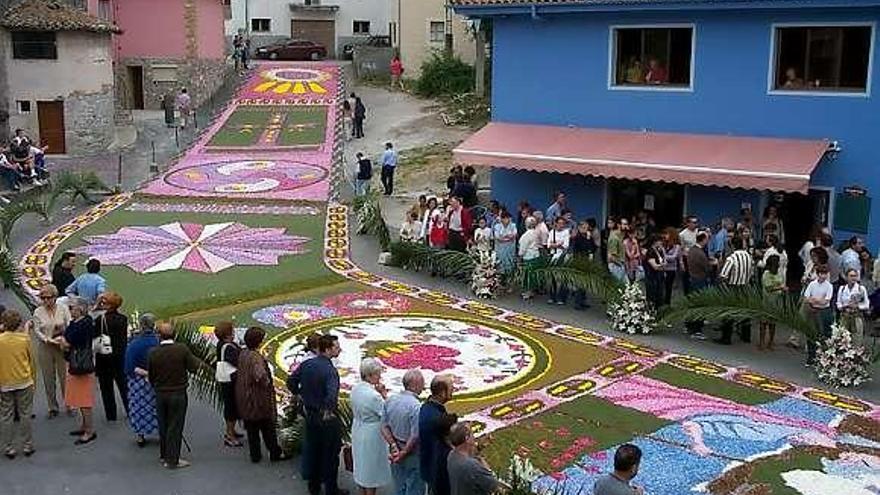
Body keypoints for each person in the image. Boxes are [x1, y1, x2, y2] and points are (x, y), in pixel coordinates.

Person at [287, 334, 344, 495]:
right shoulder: (330, 371)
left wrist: (299, 394)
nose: (339, 349)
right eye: (336, 347)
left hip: (310, 414)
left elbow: (291, 381)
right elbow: (332, 396)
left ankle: (314, 486)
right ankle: (331, 489)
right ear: (327, 349)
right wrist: (327, 411)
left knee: (313, 449)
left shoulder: (307, 364)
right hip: (326, 417)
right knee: (331, 454)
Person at [148, 321, 203, 469]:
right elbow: (194, 367)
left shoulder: (153, 352)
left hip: (160, 393)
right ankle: (173, 460)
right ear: (175, 335)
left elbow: (151, 376)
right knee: (175, 426)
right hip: (177, 393)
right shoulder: (182, 349)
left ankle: (165, 455)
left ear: (159, 336)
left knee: (163, 425)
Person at [236, 327, 287, 463]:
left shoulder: (243, 353)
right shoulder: (255, 358)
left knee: (252, 429)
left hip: (245, 397)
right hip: (257, 399)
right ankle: (274, 453)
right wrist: (267, 383)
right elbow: (260, 375)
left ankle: (255, 455)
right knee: (267, 427)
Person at [351, 358, 393, 495]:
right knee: (371, 471)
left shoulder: (356, 389)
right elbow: (387, 412)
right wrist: (384, 395)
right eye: (377, 374)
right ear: (369, 375)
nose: (379, 377)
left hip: (358, 429)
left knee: (361, 467)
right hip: (372, 434)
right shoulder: (373, 396)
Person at [29, 284, 71, 418]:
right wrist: (46, 339)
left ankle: (69, 404)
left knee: (65, 376)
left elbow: (69, 323)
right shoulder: (38, 311)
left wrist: (63, 333)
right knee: (48, 378)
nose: (46, 301)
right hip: (46, 346)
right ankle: (52, 406)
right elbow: (36, 330)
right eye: (43, 298)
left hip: (61, 345)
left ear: (55, 297)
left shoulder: (63, 308)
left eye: (49, 298)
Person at [0, 310, 37, 458]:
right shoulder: (25, 339)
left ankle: (9, 447)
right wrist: (33, 379)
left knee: (6, 415)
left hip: (5, 382)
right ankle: (27, 445)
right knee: (25, 414)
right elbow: (31, 360)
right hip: (23, 381)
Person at [61, 297, 97, 445]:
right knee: (80, 398)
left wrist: (64, 341)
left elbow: (68, 340)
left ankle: (89, 431)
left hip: (81, 365)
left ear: (80, 309)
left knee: (84, 400)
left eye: (72, 307)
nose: (70, 310)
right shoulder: (78, 322)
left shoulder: (84, 324)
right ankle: (84, 426)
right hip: (76, 363)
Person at [383, 369, 425, 495]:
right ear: (415, 385)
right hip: (411, 452)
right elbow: (415, 435)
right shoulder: (416, 406)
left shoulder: (391, 400)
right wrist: (404, 452)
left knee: (399, 486)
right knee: (415, 488)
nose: (423, 386)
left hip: (395, 450)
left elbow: (384, 426)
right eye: (422, 383)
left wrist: (393, 445)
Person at [124, 313, 160, 447]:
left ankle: (140, 435)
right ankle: (161, 431)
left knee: (139, 407)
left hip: (139, 382)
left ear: (141, 326)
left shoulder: (134, 344)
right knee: (158, 407)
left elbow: (129, 367)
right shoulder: (158, 342)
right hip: (157, 379)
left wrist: (144, 373)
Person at [419, 374, 457, 495]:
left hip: (429, 468)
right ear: (442, 393)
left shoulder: (426, 407)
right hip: (437, 472)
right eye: (451, 389)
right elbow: (450, 444)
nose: (453, 391)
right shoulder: (436, 417)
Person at [94, 292, 129, 422]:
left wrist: (95, 308)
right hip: (120, 357)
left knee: (106, 389)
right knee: (124, 386)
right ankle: (130, 409)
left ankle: (111, 414)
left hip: (104, 358)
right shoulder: (123, 319)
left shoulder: (100, 320)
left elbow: (95, 337)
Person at [717, 237, 754, 345]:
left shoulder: (731, 258)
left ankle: (726, 337)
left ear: (732, 246)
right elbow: (752, 272)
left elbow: (723, 276)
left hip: (733, 287)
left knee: (728, 312)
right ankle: (746, 336)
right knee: (745, 311)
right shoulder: (748, 256)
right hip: (745, 286)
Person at [446, 423, 498, 495]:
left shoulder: (451, 455)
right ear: (467, 438)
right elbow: (493, 485)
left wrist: (479, 447)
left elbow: (467, 454)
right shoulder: (472, 466)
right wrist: (482, 460)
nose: (474, 437)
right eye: (472, 433)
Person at [214, 321, 243, 447]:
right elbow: (238, 362)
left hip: (227, 380)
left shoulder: (223, 345)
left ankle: (231, 431)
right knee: (231, 407)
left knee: (231, 406)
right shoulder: (229, 347)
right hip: (230, 381)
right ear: (228, 334)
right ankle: (229, 435)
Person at [804, 265, 834, 366]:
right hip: (813, 311)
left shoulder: (829, 286)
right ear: (818, 274)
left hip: (824, 311)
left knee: (824, 333)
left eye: (825, 274)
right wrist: (817, 300)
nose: (824, 276)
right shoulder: (812, 284)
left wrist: (815, 299)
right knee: (811, 333)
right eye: (822, 274)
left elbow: (826, 301)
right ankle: (811, 357)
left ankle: (823, 357)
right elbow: (806, 297)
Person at [685, 232, 712, 340]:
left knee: (692, 304)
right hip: (700, 279)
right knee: (699, 305)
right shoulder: (700, 253)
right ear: (704, 240)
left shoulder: (691, 250)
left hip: (692, 278)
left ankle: (689, 326)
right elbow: (707, 268)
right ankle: (697, 329)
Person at [837, 268, 870, 345]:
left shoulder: (861, 289)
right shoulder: (842, 289)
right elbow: (838, 303)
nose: (853, 278)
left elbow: (866, 304)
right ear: (846, 277)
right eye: (851, 276)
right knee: (843, 340)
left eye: (855, 276)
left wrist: (857, 306)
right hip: (844, 317)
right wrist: (845, 306)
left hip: (856, 317)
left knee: (857, 339)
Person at [760, 255, 786, 351]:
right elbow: (768, 287)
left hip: (776, 301)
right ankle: (762, 342)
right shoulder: (766, 274)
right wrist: (780, 288)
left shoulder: (779, 273)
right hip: (767, 301)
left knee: (773, 323)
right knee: (763, 322)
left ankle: (771, 342)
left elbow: (782, 282)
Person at [546, 216, 571, 305]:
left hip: (562, 256)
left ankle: (561, 297)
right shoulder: (551, 232)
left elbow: (566, 246)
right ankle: (552, 297)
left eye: (562, 224)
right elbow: (548, 245)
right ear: (555, 223)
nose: (561, 225)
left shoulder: (566, 232)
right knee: (552, 277)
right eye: (559, 223)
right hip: (553, 256)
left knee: (562, 277)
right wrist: (558, 244)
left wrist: (554, 244)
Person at [518, 216, 543, 301]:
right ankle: (532, 291)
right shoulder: (537, 233)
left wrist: (519, 257)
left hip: (528, 257)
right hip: (536, 255)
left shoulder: (526, 235)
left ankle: (528, 292)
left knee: (528, 276)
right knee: (533, 275)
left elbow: (523, 249)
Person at [492, 211, 518, 281]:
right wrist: (507, 238)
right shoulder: (497, 226)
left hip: (510, 248)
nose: (507, 220)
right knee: (500, 263)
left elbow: (514, 235)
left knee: (510, 263)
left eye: (508, 218)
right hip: (500, 249)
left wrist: (505, 237)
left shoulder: (513, 225)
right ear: (502, 219)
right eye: (505, 218)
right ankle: (501, 278)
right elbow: (498, 238)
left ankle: (510, 278)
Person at [644, 235, 666, 310]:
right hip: (652, 278)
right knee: (652, 297)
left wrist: (663, 251)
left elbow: (664, 262)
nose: (661, 243)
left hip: (659, 277)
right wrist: (662, 266)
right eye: (660, 241)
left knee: (660, 296)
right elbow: (655, 266)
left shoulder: (659, 251)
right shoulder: (650, 252)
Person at [662, 228, 682, 305]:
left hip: (671, 269)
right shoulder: (664, 245)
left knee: (668, 288)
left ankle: (667, 303)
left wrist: (664, 256)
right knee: (663, 288)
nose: (665, 236)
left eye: (667, 234)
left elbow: (674, 257)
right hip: (663, 268)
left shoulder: (677, 246)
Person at [607, 217, 626, 283]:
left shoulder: (620, 237)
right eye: (624, 224)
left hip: (619, 265)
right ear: (618, 225)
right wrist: (621, 264)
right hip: (616, 265)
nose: (626, 226)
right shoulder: (614, 238)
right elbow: (611, 256)